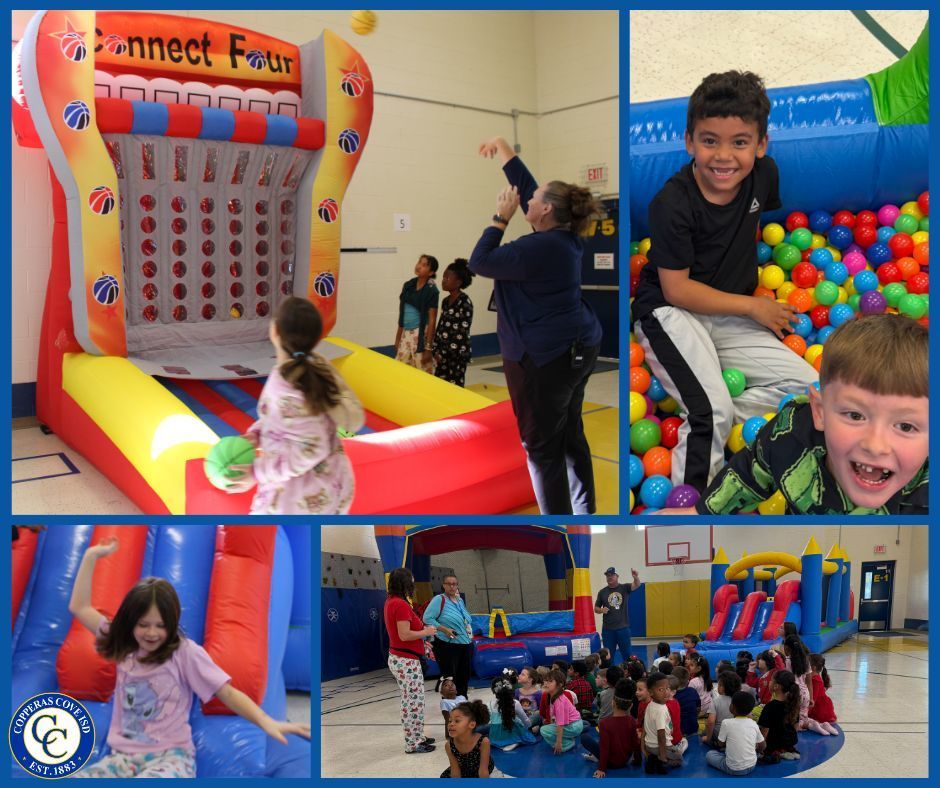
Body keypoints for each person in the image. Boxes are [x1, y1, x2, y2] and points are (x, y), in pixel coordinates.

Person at [633, 70, 817, 494]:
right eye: (709, 140)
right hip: (671, 312)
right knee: (709, 412)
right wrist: (754, 306)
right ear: (689, 141)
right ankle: (692, 507)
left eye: (740, 142)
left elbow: (746, 225)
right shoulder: (672, 203)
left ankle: (716, 410)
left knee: (807, 389)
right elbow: (677, 289)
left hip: (729, 313)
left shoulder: (763, 175)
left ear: (761, 144)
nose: (724, 156)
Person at [67, 536, 309, 778]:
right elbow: (80, 607)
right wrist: (91, 557)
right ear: (131, 623)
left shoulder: (184, 652)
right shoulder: (124, 643)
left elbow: (228, 693)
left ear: (171, 624)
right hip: (120, 758)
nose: (152, 633)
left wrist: (267, 721)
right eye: (143, 624)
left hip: (170, 758)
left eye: (160, 625)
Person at [667, 314, 929, 514]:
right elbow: (751, 471)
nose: (875, 445)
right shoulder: (789, 436)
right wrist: (702, 512)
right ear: (820, 412)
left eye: (905, 426)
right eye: (855, 415)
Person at [471, 136, 603, 515]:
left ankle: (559, 522)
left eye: (532, 201)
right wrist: (503, 149)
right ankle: (584, 510)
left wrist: (501, 217)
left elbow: (480, 261)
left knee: (542, 449)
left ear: (545, 211)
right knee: (570, 434)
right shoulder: (564, 237)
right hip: (578, 346)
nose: (525, 200)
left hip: (545, 358)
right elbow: (530, 187)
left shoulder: (537, 249)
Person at [226, 296, 363, 514]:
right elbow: (286, 417)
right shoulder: (314, 367)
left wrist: (257, 472)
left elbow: (311, 448)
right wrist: (258, 434)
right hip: (330, 484)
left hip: (301, 498)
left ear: (275, 331)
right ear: (317, 339)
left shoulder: (288, 384)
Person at [383, 567, 438, 754]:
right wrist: (426, 633)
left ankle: (418, 735)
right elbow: (404, 635)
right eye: (411, 581)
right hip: (405, 660)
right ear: (404, 583)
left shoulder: (394, 602)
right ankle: (412, 743)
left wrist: (423, 643)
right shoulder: (399, 604)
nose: (413, 585)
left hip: (406, 657)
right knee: (412, 702)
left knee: (416, 700)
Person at [423, 574, 474, 699]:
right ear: (443, 585)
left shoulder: (460, 600)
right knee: (450, 677)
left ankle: (463, 701)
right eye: (449, 584)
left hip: (465, 643)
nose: (452, 586)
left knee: (464, 675)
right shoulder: (439, 599)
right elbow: (427, 618)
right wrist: (444, 629)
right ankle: (450, 703)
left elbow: (465, 619)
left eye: (454, 584)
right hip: (447, 645)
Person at [582, 679, 642, 777]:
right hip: (625, 761)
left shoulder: (605, 723)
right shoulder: (631, 720)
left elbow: (604, 748)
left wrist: (601, 769)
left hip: (610, 763)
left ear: (612, 703)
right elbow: (635, 743)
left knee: (584, 737)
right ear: (631, 706)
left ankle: (596, 759)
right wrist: (638, 760)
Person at [432, 258, 475, 387]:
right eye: (443, 276)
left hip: (456, 355)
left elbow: (460, 333)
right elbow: (441, 327)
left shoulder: (465, 303)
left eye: (447, 277)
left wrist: (444, 352)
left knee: (455, 386)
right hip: (442, 354)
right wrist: (436, 349)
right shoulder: (445, 301)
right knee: (441, 385)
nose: (443, 280)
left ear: (458, 282)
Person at [395, 254, 440, 373]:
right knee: (401, 368)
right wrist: (398, 337)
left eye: (424, 265)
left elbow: (432, 320)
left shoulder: (431, 290)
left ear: (431, 273)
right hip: (406, 333)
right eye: (419, 262)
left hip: (420, 334)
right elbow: (402, 314)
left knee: (422, 369)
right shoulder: (408, 285)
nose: (419, 266)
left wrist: (428, 348)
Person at [706, 691, 764, 775]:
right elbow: (763, 745)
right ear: (750, 710)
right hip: (752, 766)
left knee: (709, 754)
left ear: (732, 707)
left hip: (732, 768)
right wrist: (755, 751)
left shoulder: (726, 723)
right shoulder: (753, 724)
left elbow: (720, 744)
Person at [594, 567, 641, 664]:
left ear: (617, 576)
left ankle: (629, 675)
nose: (609, 577)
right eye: (607, 575)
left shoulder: (624, 588)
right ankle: (609, 676)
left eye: (612, 575)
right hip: (608, 630)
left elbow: (637, 585)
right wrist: (601, 610)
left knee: (627, 655)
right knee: (607, 657)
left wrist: (635, 577)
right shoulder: (602, 592)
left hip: (623, 629)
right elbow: (596, 608)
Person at [641, 672, 682, 774]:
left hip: (649, 745)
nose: (666, 692)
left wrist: (643, 746)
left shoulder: (650, 705)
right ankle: (660, 762)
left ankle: (653, 759)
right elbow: (661, 736)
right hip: (660, 747)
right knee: (679, 759)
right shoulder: (661, 710)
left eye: (667, 688)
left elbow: (644, 727)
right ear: (650, 692)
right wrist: (663, 756)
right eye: (661, 690)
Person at [441, 700, 494, 778]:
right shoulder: (449, 745)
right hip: (463, 769)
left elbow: (483, 771)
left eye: (457, 721)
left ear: (472, 724)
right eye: (450, 721)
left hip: (480, 769)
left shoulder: (483, 742)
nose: (451, 724)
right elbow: (455, 769)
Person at [758, 670, 801, 763]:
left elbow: (764, 732)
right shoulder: (793, 704)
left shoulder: (770, 706)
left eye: (771, 680)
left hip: (773, 744)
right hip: (790, 742)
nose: (769, 682)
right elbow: (796, 727)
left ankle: (776, 752)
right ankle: (786, 750)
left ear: (776, 686)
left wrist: (760, 748)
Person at [538, 669, 585, 753]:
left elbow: (560, 724)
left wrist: (558, 743)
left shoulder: (559, 701)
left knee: (544, 730)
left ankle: (567, 744)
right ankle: (568, 737)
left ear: (559, 685)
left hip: (573, 726)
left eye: (550, 681)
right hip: (574, 724)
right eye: (545, 681)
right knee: (549, 728)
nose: (545, 684)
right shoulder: (554, 696)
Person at [486, 676, 537, 750]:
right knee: (533, 717)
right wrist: (528, 727)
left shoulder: (489, 704)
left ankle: (502, 743)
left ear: (493, 691)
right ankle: (513, 741)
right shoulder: (515, 703)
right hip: (512, 732)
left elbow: (490, 721)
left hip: (495, 736)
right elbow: (525, 719)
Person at [702, 671, 742, 746]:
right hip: (736, 735)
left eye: (719, 685)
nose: (717, 687)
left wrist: (708, 738)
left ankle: (715, 743)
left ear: (724, 688)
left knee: (704, 732)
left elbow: (710, 722)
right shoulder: (740, 699)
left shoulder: (716, 701)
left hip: (720, 735)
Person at [808, 654, 839, 734]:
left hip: (820, 709)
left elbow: (812, 701)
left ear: (813, 667)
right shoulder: (814, 677)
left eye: (807, 664)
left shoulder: (815, 680)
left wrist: (805, 712)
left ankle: (823, 725)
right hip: (821, 705)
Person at [671, 666, 700, 738]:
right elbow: (698, 708)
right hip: (693, 728)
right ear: (688, 681)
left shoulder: (671, 696)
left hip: (678, 731)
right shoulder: (692, 691)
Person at [686, 651, 713, 717]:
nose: (689, 666)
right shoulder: (708, 679)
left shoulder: (693, 681)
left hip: (700, 710)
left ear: (699, 668)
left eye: (692, 665)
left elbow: (689, 697)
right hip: (708, 708)